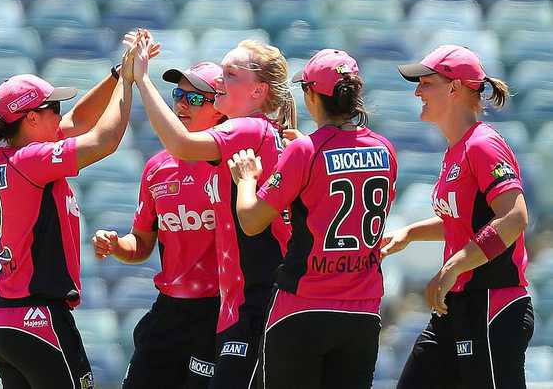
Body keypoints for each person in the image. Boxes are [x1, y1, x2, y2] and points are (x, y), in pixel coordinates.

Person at [0, 40, 138, 389]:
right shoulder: (33, 160)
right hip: (38, 319)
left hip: (4, 321)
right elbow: (105, 139)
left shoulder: (15, 155)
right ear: (31, 117)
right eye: (54, 107)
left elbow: (79, 120)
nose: (61, 115)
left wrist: (116, 75)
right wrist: (130, 83)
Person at [130, 34, 295, 388]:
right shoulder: (260, 133)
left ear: (258, 91)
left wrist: (142, 79)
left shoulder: (250, 128)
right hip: (244, 301)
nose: (222, 80)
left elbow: (182, 144)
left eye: (231, 74)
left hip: (257, 299)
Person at [227, 49, 398, 389]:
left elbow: (251, 221)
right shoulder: (384, 149)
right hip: (362, 313)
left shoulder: (304, 151)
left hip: (302, 307)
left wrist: (246, 179)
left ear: (311, 95)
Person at [382, 45, 533, 389]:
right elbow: (463, 221)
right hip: (458, 306)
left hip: (492, 304)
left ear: (454, 87)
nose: (418, 91)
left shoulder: (482, 144)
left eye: (426, 83)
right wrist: (409, 234)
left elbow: (514, 217)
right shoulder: (457, 148)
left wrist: (453, 267)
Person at [92, 61, 226, 389]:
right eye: (179, 94)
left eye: (195, 99)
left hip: (218, 312)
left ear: (221, 109)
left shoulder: (234, 160)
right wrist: (117, 245)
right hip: (169, 310)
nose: (181, 104)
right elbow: (141, 243)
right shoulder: (158, 167)